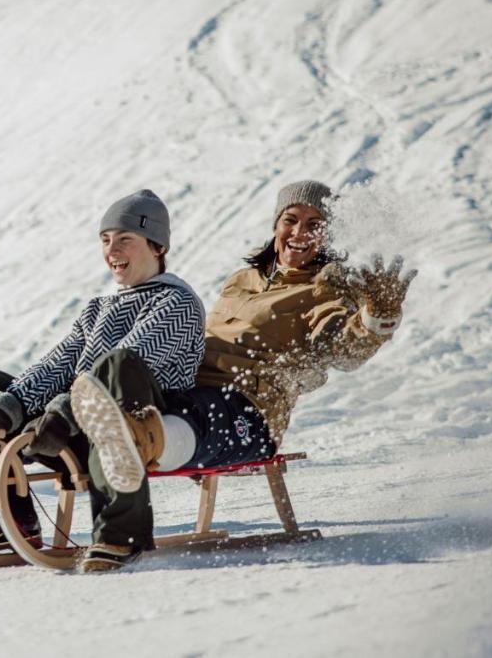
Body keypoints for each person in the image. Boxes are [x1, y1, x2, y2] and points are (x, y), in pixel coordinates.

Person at [70, 180, 416, 571]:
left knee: (197, 416)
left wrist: (375, 321)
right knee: (122, 365)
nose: (300, 232)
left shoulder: (327, 291)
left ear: (330, 233)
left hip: (248, 410)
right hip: (191, 388)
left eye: (315, 224)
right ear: (276, 225)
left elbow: (342, 348)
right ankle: (118, 435)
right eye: (291, 220)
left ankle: (137, 464)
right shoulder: (242, 279)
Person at [0, 190, 206, 570]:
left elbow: (128, 365)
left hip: (133, 431)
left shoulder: (175, 303)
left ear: (158, 245)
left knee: (118, 364)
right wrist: (7, 407)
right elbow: (56, 365)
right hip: (62, 428)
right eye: (105, 239)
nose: (112, 249)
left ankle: (120, 533)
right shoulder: (100, 307)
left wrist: (64, 412)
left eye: (125, 239)